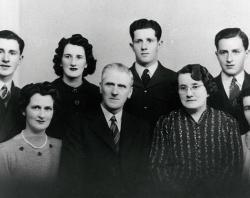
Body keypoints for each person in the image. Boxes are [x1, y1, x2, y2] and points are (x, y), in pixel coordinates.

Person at [150, 64, 243, 198]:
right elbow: (157, 167)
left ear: (208, 90)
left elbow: (233, 167)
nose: (188, 93)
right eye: (183, 88)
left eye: (195, 86)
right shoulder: (166, 123)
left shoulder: (228, 122)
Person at [60, 63, 150, 198]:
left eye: (122, 86)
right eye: (109, 84)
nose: (115, 92)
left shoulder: (141, 128)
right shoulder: (78, 124)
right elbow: (72, 178)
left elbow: (144, 178)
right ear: (100, 88)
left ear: (130, 92)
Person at [0, 82, 62, 197]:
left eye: (48, 108)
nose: (42, 115)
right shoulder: (4, 152)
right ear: (24, 110)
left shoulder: (62, 148)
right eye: (36, 108)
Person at [125, 18, 179, 132]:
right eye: (138, 41)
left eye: (149, 40)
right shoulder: (121, 79)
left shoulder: (174, 79)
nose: (144, 47)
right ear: (132, 46)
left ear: (159, 44)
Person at [49, 34, 101, 139]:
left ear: (86, 63)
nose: (73, 63)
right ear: (60, 61)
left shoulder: (97, 94)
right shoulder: (47, 92)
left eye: (79, 57)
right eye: (68, 57)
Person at [208, 28, 250, 135]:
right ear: (217, 54)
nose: (229, 59)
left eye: (235, 52)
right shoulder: (205, 88)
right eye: (223, 52)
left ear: (246, 53)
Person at [0, 30, 25, 142]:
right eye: (0, 51)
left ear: (20, 59)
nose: (5, 59)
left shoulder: (25, 98)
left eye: (12, 53)